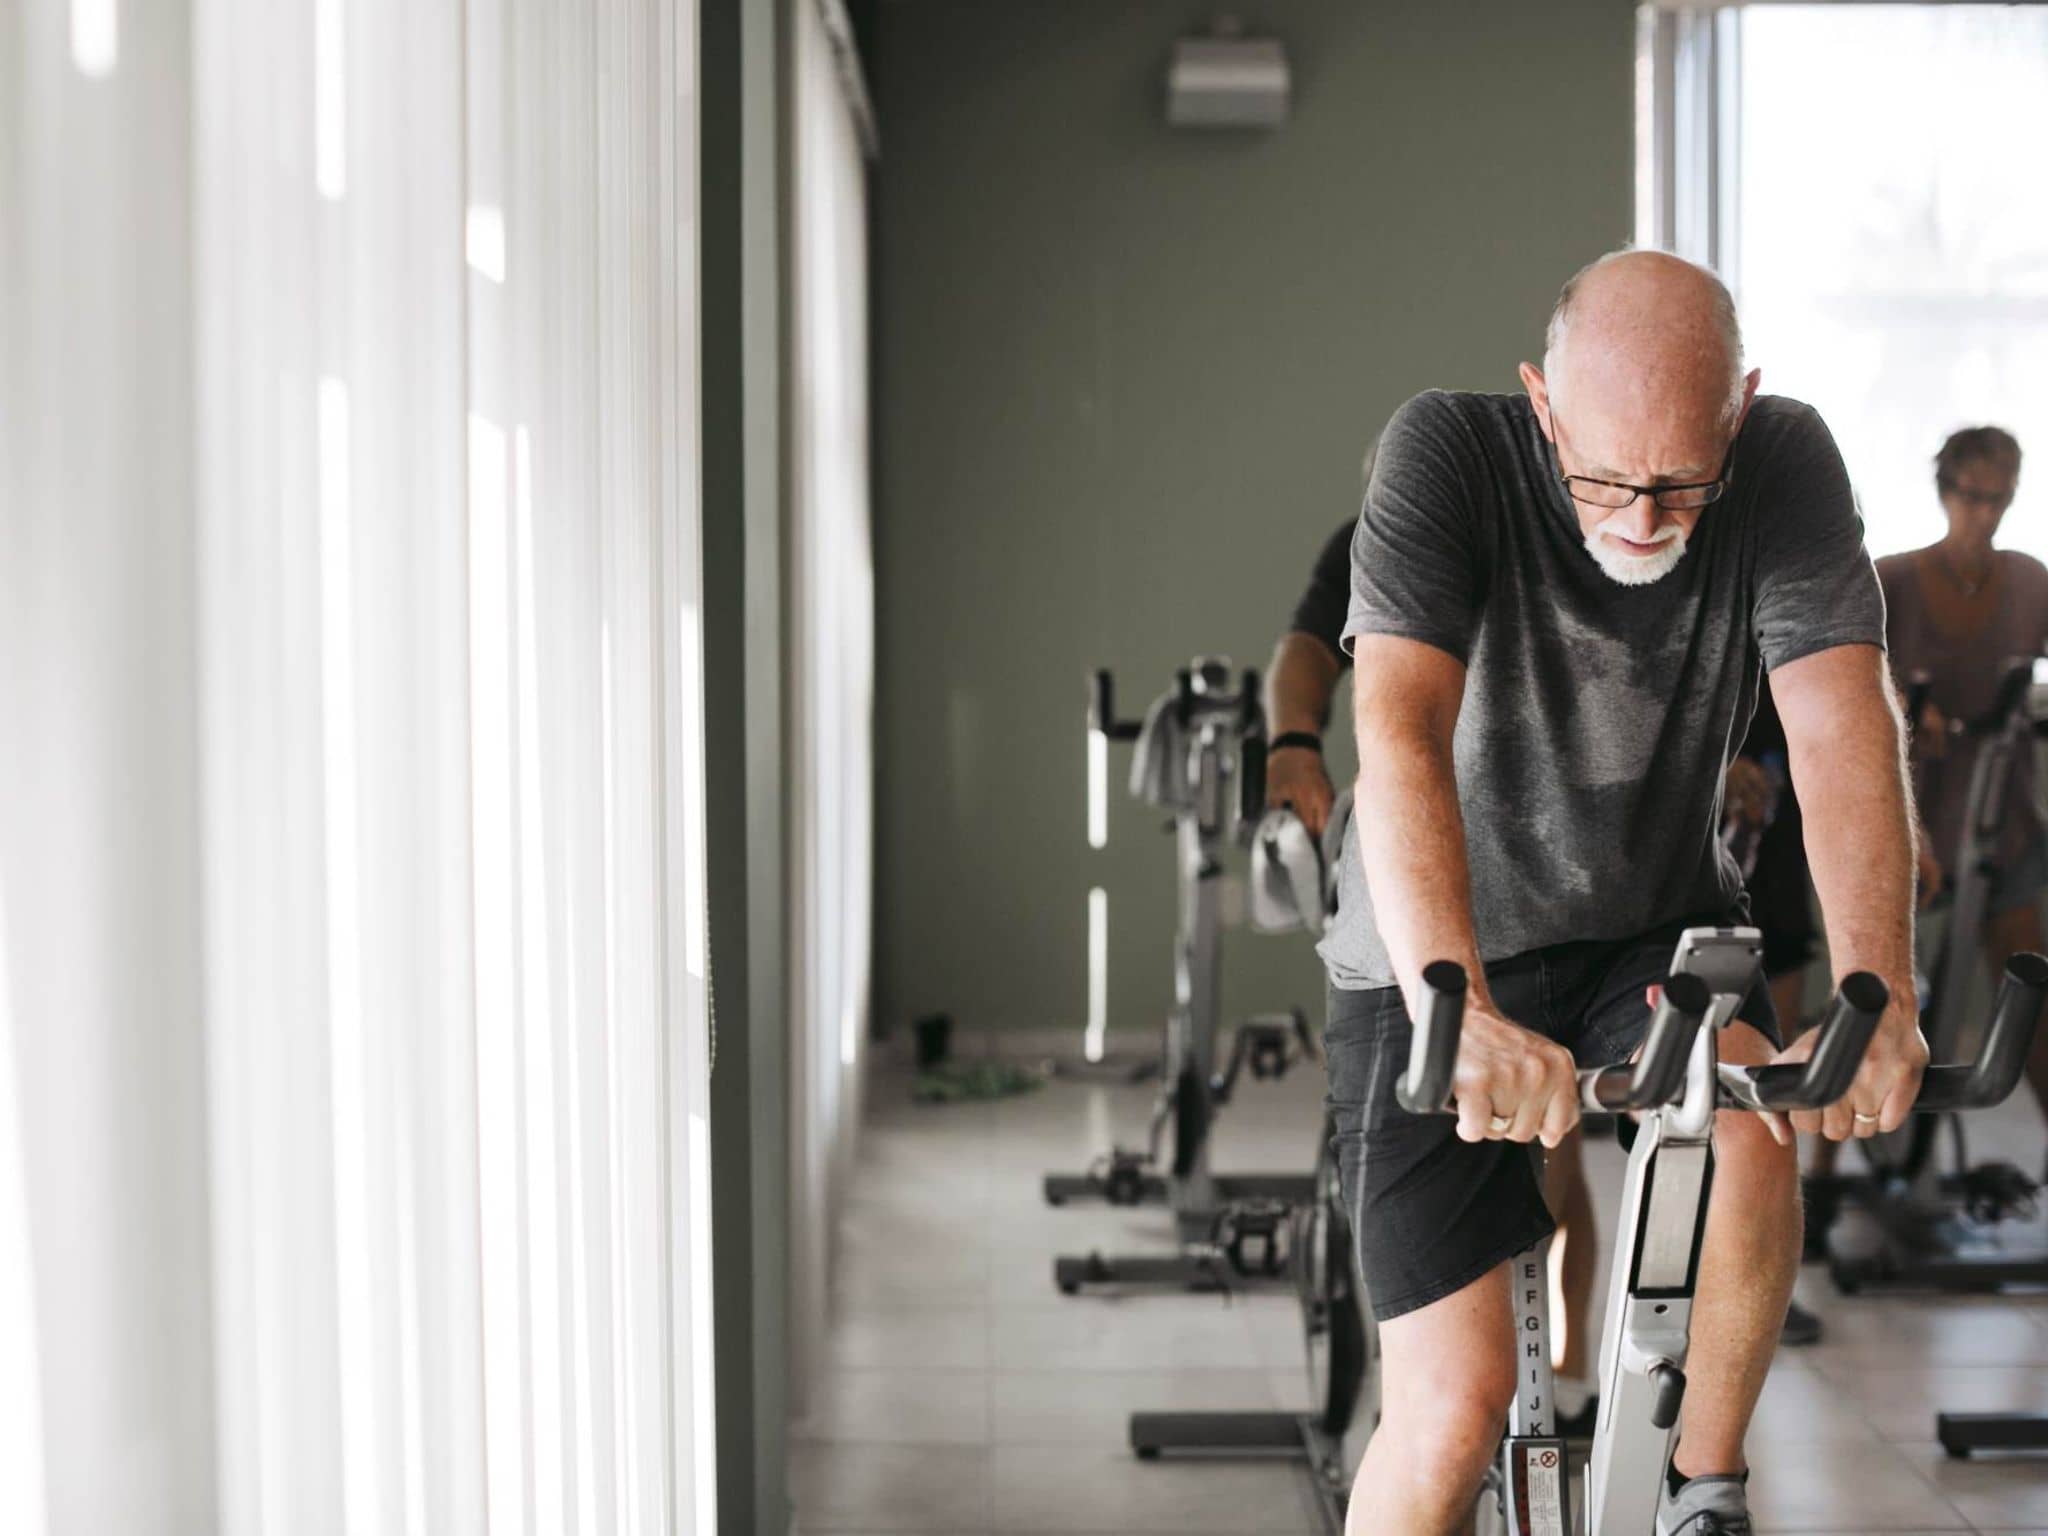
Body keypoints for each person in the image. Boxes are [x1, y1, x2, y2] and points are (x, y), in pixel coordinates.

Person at [1320, 250, 1926, 1535]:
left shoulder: (1785, 463)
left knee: (1750, 1138)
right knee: (1455, 1407)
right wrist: (1459, 1002)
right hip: (1425, 954)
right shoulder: (1443, 452)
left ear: (1738, 408)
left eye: (1679, 481)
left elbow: (1834, 725)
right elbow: (1401, 727)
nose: (1643, 517)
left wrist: (1880, 989)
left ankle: (1698, 1499)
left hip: (1644, 925)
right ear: (1541, 404)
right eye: (1603, 477)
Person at [1268, 521, 1605, 1431]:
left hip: (1544, 866)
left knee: (1553, 1139)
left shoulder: (1532, 539)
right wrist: (1293, 740)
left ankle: (1568, 1374)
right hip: (1408, 880)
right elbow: (1302, 652)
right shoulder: (1369, 540)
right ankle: (1422, 1383)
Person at [1876, 428, 2048, 1124]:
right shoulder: (1892, 579)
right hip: (1910, 820)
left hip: (1999, 821)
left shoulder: (2029, 580)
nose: (1986, 513)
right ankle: (1831, 1173)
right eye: (1975, 496)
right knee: (1885, 995)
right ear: (1946, 490)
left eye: (2001, 497)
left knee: (2028, 995)